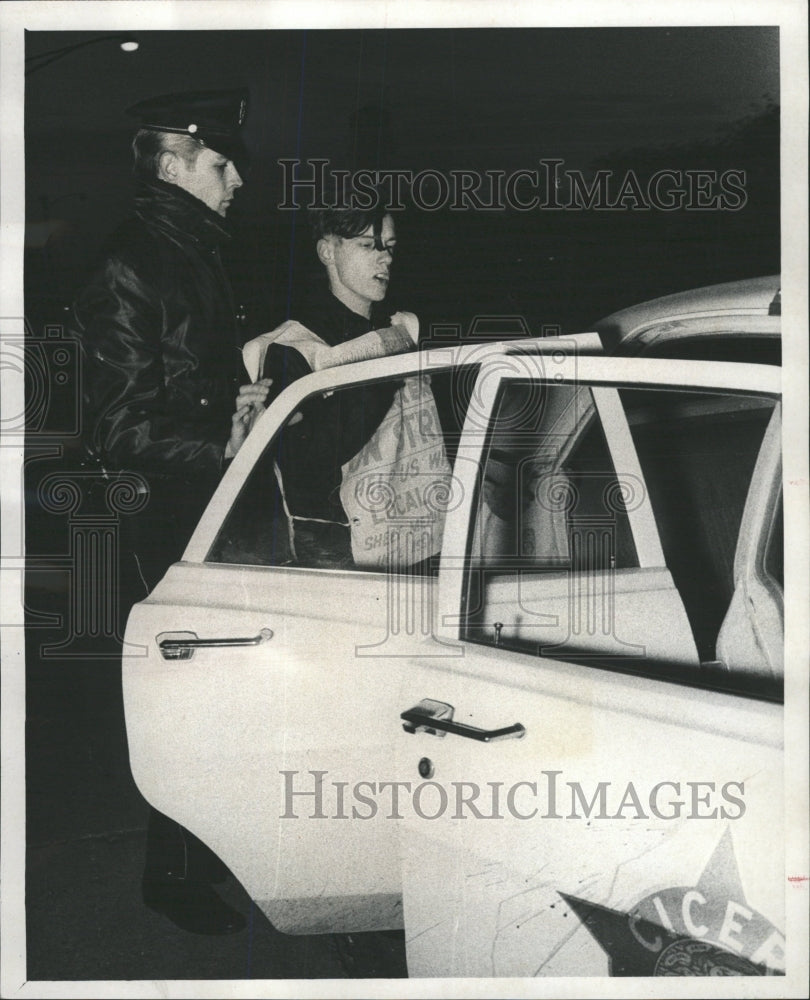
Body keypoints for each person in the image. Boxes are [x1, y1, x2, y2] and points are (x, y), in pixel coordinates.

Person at [72, 88, 269, 935]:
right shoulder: (133, 262)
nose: (237, 184)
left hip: (196, 510)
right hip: (154, 518)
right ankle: (172, 877)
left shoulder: (193, 253)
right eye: (222, 167)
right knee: (183, 700)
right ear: (173, 164)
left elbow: (185, 389)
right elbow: (116, 425)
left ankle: (198, 855)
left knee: (217, 693)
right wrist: (222, 445)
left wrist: (238, 408)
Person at [257, 205, 416, 567]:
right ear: (327, 251)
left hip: (411, 532)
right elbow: (304, 467)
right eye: (367, 245)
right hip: (334, 548)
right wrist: (379, 380)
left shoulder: (402, 329)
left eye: (389, 246)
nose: (384, 259)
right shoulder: (292, 347)